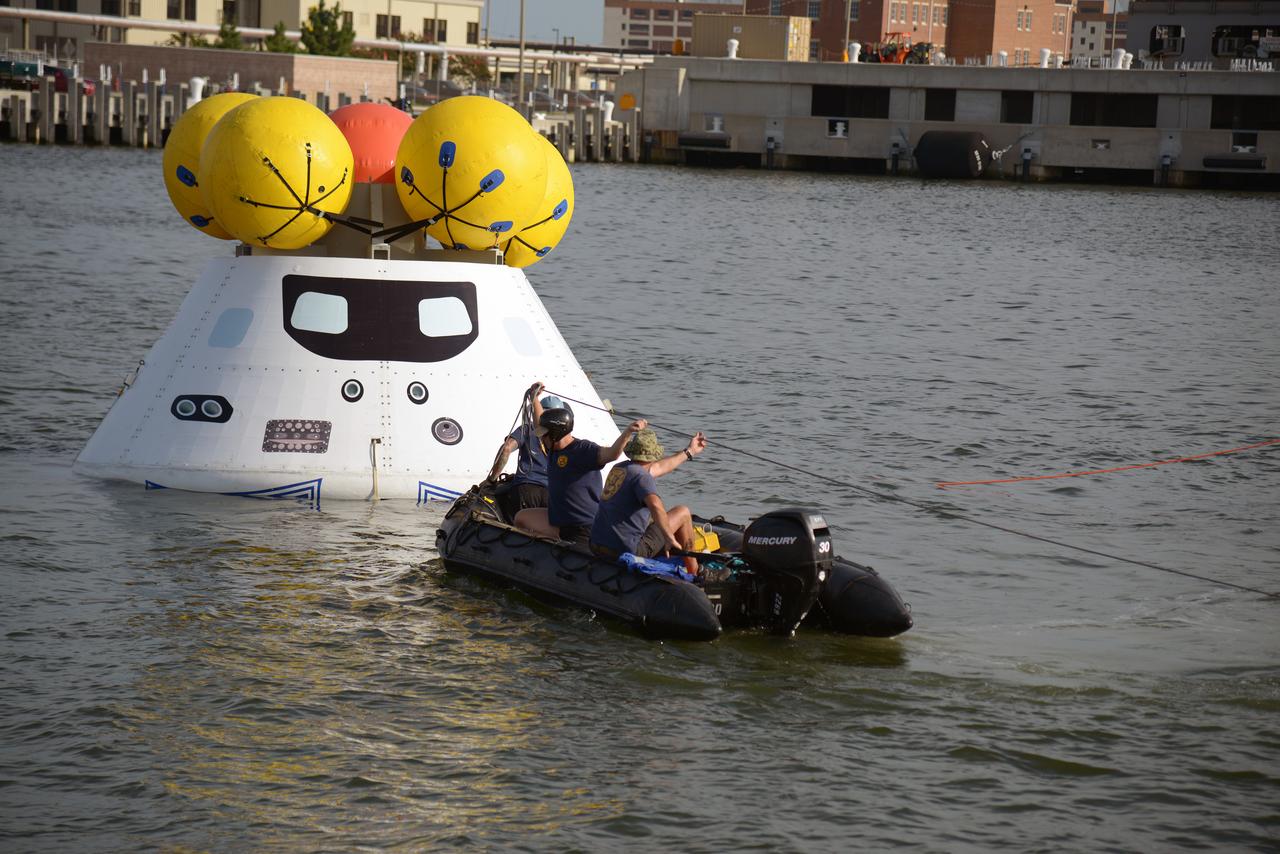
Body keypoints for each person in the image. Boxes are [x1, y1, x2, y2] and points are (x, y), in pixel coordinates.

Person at [514, 405, 647, 545]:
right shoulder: (553, 448)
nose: (541, 439)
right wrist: (535, 396)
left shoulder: (583, 450)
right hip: (559, 521)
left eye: (544, 435)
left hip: (583, 526)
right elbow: (539, 424)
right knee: (521, 518)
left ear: (555, 434)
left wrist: (628, 431)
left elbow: (612, 454)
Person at [588, 428, 707, 560]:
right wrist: (668, 537)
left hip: (596, 545)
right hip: (627, 551)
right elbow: (655, 505)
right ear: (654, 455)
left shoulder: (621, 468)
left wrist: (690, 451)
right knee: (682, 512)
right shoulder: (642, 477)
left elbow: (660, 467)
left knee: (650, 519)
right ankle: (695, 572)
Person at [486, 382, 567, 520]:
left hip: (525, 490)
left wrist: (492, 480)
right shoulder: (565, 440)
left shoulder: (527, 429)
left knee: (515, 526)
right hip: (551, 495)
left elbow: (506, 449)